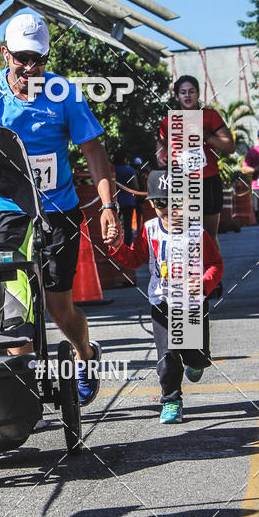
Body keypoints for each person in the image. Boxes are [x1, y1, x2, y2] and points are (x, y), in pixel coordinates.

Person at [0, 13, 123, 406]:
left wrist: (108, 207)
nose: (28, 67)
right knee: (9, 303)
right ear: (4, 53)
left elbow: (93, 150)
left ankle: (85, 355)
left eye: (37, 58)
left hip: (58, 212)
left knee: (59, 306)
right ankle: (25, 385)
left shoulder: (64, 93)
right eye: (21, 57)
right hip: (5, 209)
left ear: (46, 57)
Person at [108, 169, 223, 424]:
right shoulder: (149, 230)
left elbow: (215, 264)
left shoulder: (196, 232)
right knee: (168, 355)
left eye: (176, 202)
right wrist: (117, 248)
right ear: (150, 203)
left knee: (196, 356)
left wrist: (203, 283)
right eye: (161, 203)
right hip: (162, 302)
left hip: (192, 304)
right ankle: (171, 400)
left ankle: (196, 361)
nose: (169, 209)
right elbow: (135, 258)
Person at [157, 75, 234, 298]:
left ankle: (212, 279)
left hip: (208, 180)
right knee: (185, 234)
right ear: (177, 95)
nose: (187, 95)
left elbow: (229, 146)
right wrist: (162, 156)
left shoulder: (209, 116)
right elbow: (161, 144)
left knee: (208, 234)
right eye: (183, 92)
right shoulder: (169, 120)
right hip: (181, 182)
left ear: (197, 94)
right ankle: (189, 279)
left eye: (191, 91)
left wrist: (207, 137)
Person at [113, 150, 138, 246]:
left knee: (115, 225)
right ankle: (127, 247)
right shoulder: (129, 170)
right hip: (128, 201)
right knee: (128, 226)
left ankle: (115, 246)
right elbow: (135, 187)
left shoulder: (111, 170)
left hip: (114, 201)